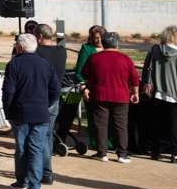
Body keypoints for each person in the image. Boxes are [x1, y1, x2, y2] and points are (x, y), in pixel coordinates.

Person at [2, 33, 60, 189]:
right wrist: (46, 103)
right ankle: (35, 185)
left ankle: (22, 180)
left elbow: (8, 91)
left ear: (20, 47)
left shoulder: (14, 64)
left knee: (22, 148)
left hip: (20, 112)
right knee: (36, 148)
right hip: (41, 113)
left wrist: (7, 109)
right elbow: (55, 89)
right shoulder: (46, 64)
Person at [81, 31, 140, 163]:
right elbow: (135, 78)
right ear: (117, 44)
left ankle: (102, 153)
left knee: (100, 124)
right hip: (121, 96)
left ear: (103, 43)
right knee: (121, 125)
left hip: (100, 95)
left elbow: (84, 73)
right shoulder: (125, 59)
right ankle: (122, 154)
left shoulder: (94, 57)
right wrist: (135, 93)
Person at [33, 23, 67, 174]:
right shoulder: (62, 51)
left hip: (39, 98)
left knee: (36, 135)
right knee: (48, 134)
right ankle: (47, 170)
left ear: (39, 36)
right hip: (55, 98)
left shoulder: (37, 51)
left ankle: (42, 170)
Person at [142, 26, 177, 163]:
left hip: (156, 92)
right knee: (174, 123)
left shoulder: (155, 50)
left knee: (156, 122)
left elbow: (146, 69)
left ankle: (155, 152)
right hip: (174, 92)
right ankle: (175, 154)